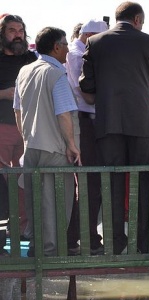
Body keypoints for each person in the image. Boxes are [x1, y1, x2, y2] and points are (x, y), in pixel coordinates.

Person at [79, 1, 149, 254]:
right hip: (142, 123)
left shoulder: (95, 42)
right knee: (143, 181)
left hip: (108, 122)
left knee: (112, 182)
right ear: (137, 19)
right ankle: (144, 245)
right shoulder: (148, 42)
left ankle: (114, 243)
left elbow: (86, 85)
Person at [14, 27, 80, 256]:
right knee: (57, 203)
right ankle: (52, 252)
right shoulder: (56, 74)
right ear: (56, 47)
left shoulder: (25, 71)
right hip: (55, 148)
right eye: (65, 44)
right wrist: (72, 145)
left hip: (31, 146)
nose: (68, 49)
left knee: (35, 201)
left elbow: (17, 111)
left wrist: (26, 138)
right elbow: (64, 114)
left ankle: (36, 248)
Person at [65, 19, 108, 254]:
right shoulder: (78, 55)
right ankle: (88, 239)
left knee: (90, 183)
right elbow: (88, 94)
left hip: (86, 121)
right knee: (90, 182)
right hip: (85, 121)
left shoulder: (79, 51)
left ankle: (76, 238)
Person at [0, 14, 37, 240]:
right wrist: (4, 94)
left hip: (28, 129)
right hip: (1, 128)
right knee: (2, 180)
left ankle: (23, 229)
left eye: (21, 30)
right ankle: (3, 230)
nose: (17, 34)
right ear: (3, 34)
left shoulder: (32, 59)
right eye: (12, 30)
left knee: (24, 179)